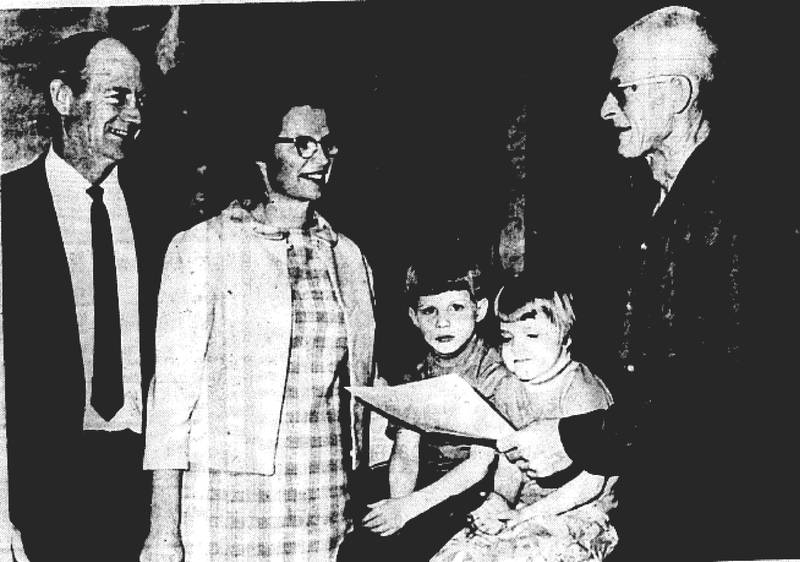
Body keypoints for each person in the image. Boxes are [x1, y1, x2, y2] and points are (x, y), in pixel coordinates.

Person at [502, 6, 751, 559]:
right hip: (651, 495)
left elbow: (725, 389)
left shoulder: (741, 209)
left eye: (623, 91)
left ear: (680, 94)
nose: (605, 109)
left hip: (718, 510)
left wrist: (577, 441)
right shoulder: (639, 202)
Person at [140, 99, 377, 561]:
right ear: (260, 158)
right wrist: (163, 529)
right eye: (304, 144)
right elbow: (169, 395)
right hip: (225, 497)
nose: (322, 159)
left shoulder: (348, 255)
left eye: (329, 146)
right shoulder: (202, 246)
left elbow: (361, 386)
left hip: (322, 493)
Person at [1, 32, 161, 561]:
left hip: (142, 478)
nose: (134, 115)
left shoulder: (163, 211)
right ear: (64, 98)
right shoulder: (9, 208)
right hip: (42, 486)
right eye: (118, 97)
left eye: (140, 99)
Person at [337, 253, 539, 561]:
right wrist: (398, 509)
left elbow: (479, 465)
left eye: (456, 308)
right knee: (360, 548)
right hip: (425, 483)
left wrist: (409, 509)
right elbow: (405, 454)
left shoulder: (494, 373)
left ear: (479, 309)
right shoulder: (417, 372)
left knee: (429, 548)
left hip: (476, 488)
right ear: (413, 317)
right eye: (428, 310)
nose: (441, 322)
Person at [433, 275, 618, 562]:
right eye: (508, 337)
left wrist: (524, 515)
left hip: (582, 511)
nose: (517, 348)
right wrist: (500, 501)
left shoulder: (581, 390)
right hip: (523, 508)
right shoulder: (509, 389)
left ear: (567, 338)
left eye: (532, 335)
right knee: (457, 555)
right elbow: (509, 461)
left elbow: (591, 483)